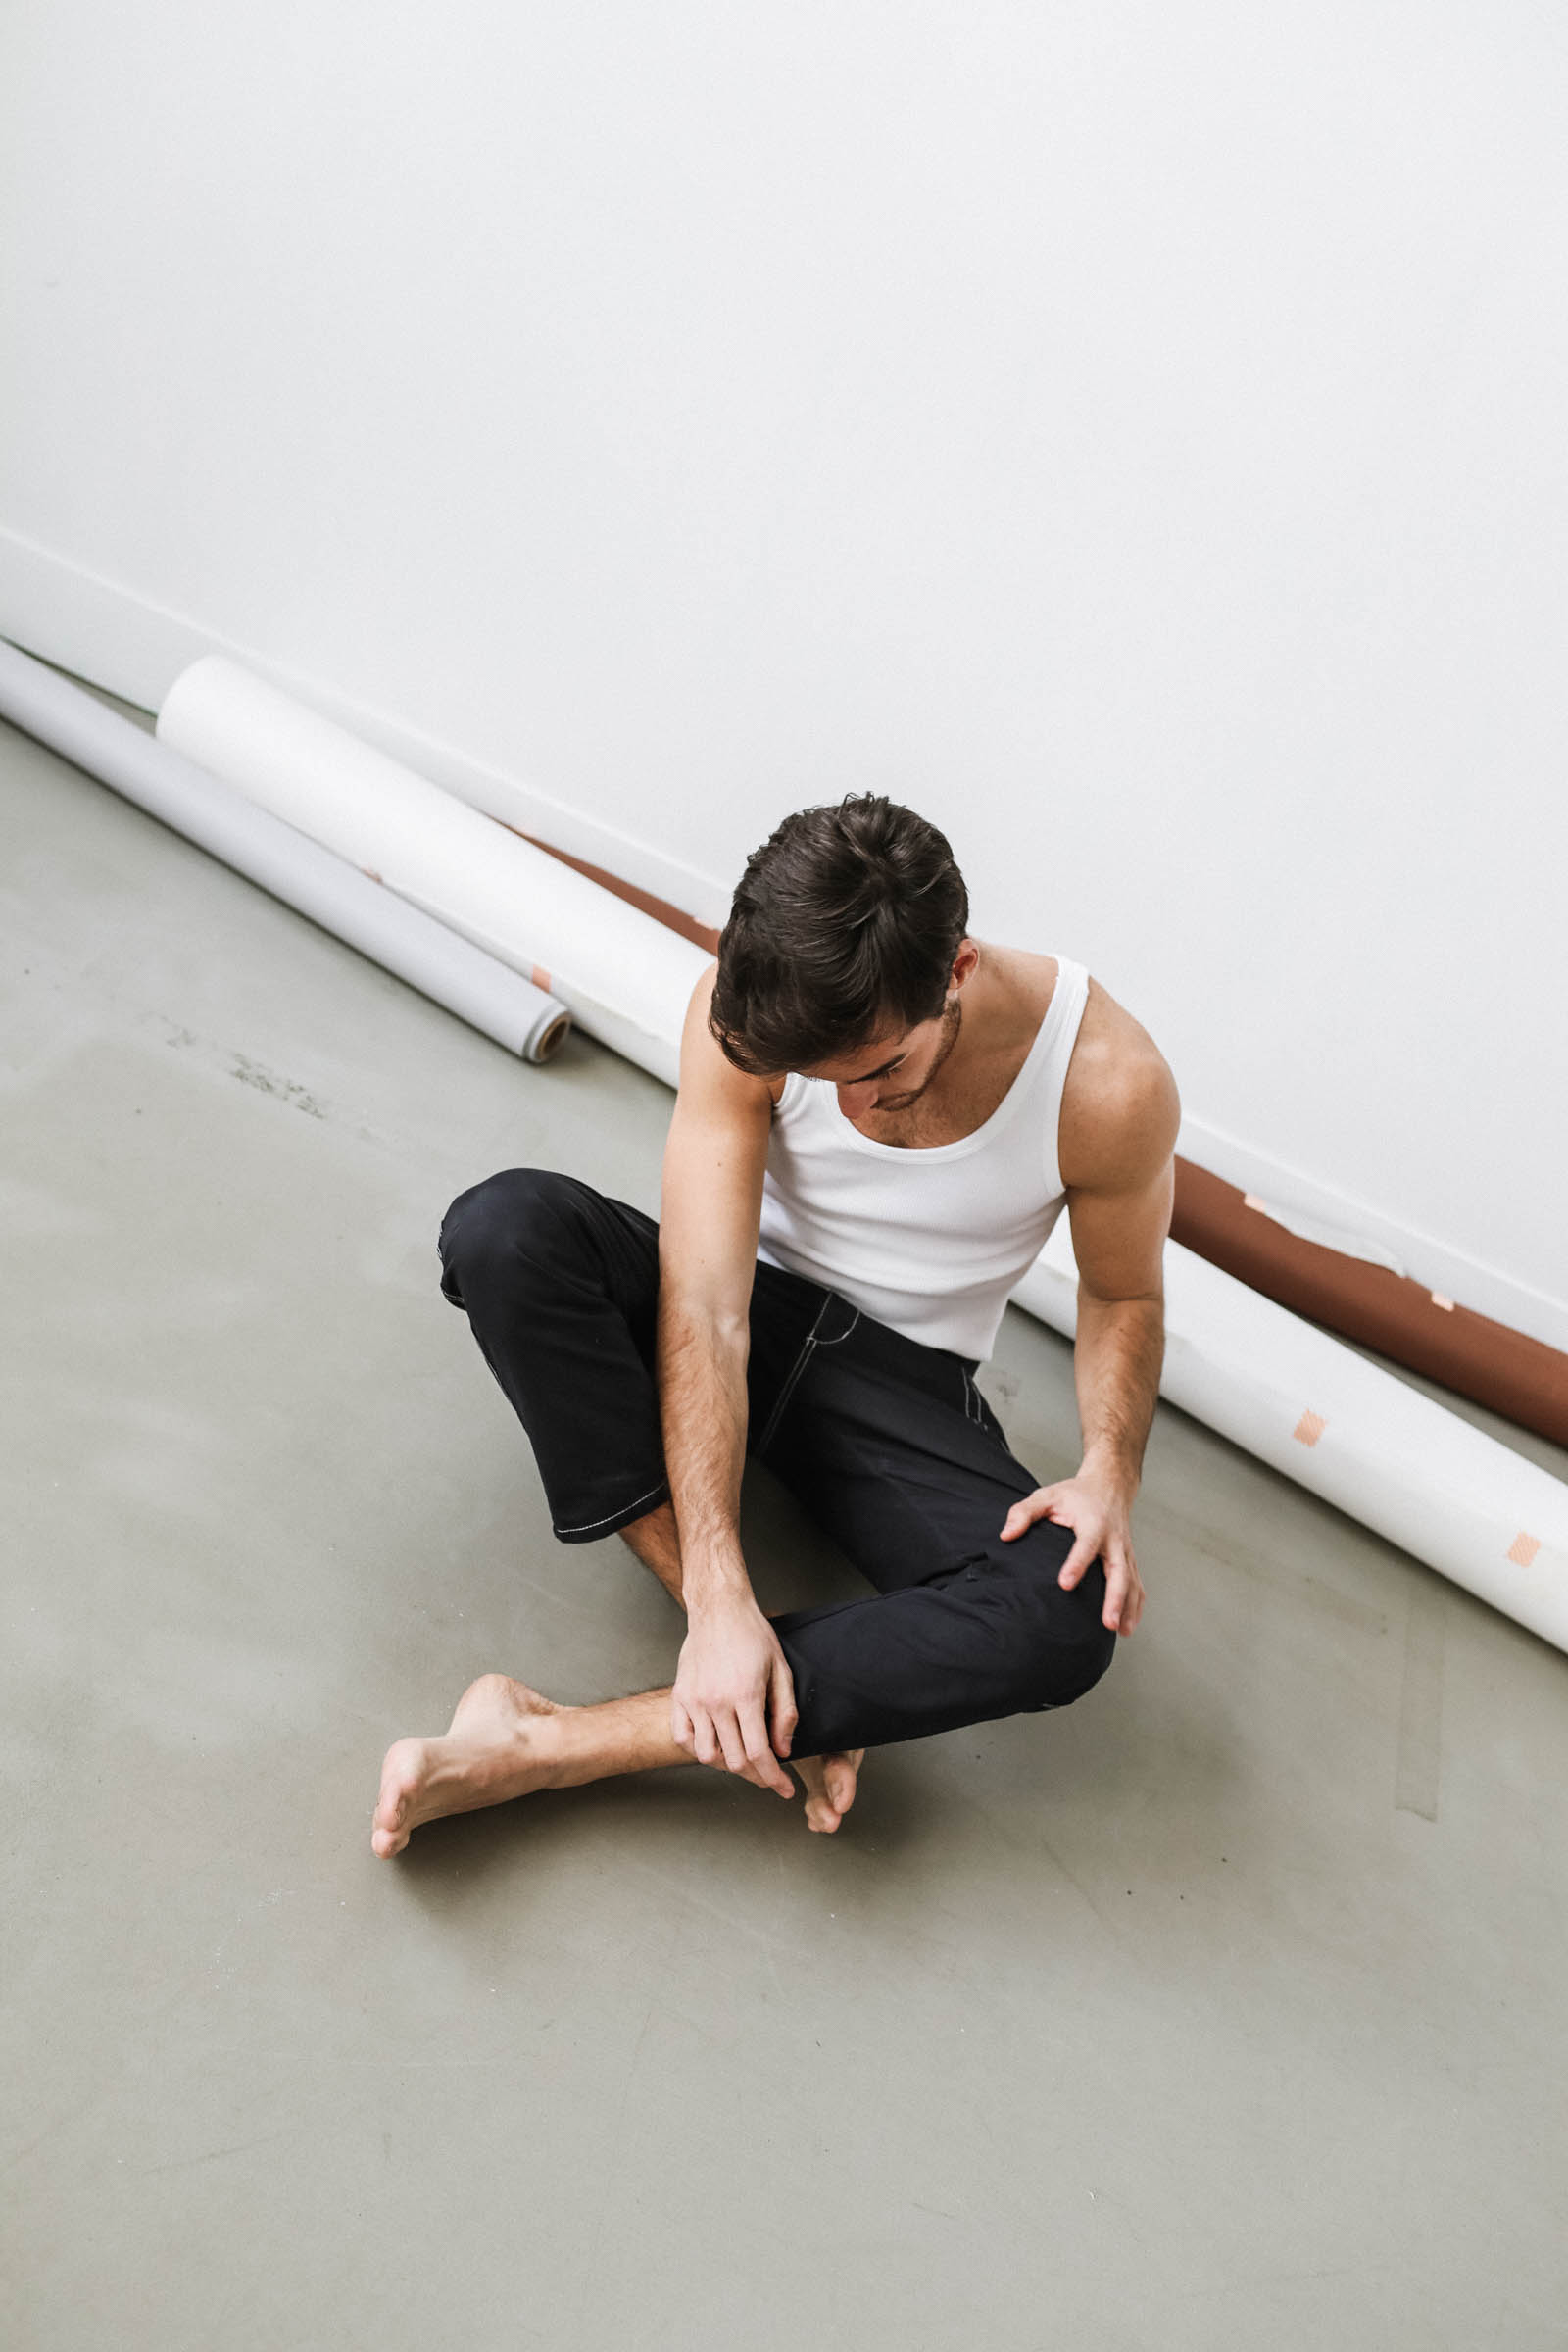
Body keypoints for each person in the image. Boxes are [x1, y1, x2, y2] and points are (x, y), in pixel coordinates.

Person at [371, 794, 1179, 1855]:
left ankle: (549, 1743)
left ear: (958, 970)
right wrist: (719, 1605)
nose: (854, 1107)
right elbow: (707, 1307)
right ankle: (766, 1681)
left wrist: (1109, 1472)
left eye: (882, 1070)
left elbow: (1123, 1297)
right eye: (817, 1079)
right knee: (505, 1229)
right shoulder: (745, 1013)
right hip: (741, 1307)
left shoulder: (1107, 1081)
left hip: (902, 1378)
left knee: (1065, 1611)